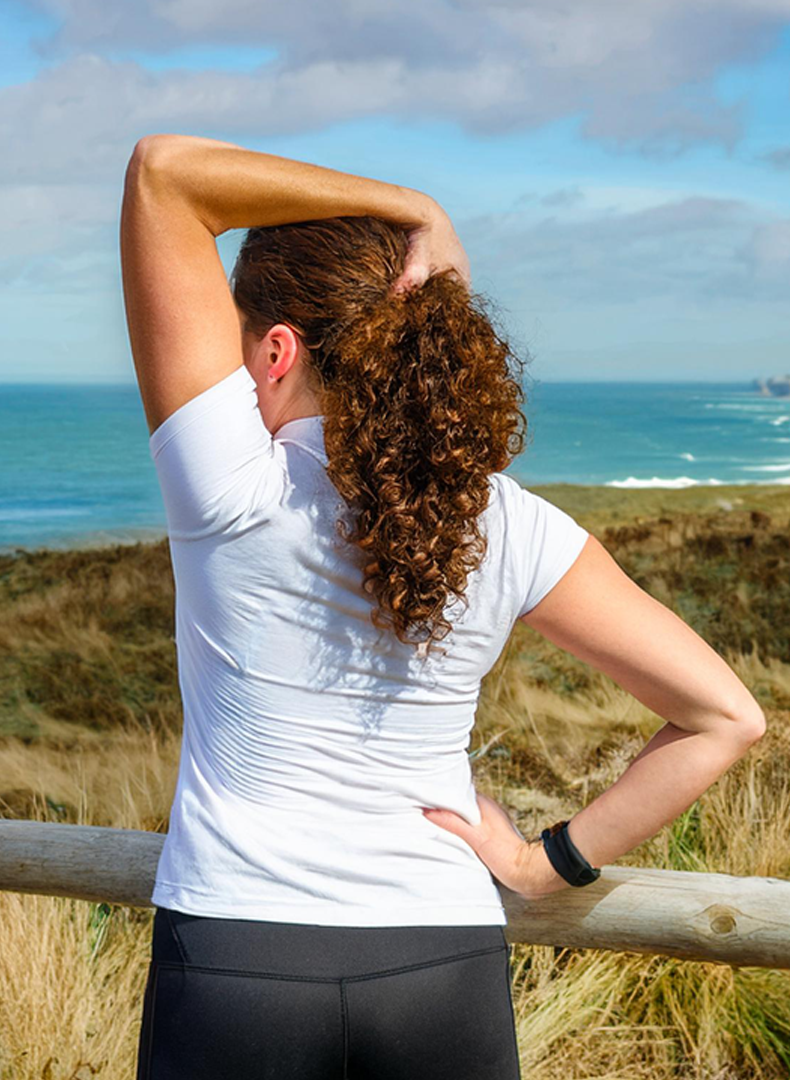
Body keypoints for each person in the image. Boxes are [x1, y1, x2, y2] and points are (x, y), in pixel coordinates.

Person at [119, 134, 767, 1080]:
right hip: (442, 965)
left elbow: (164, 174)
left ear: (273, 350)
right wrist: (549, 865)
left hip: (241, 962)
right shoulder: (503, 522)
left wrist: (414, 208)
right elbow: (725, 716)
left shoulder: (229, 487)